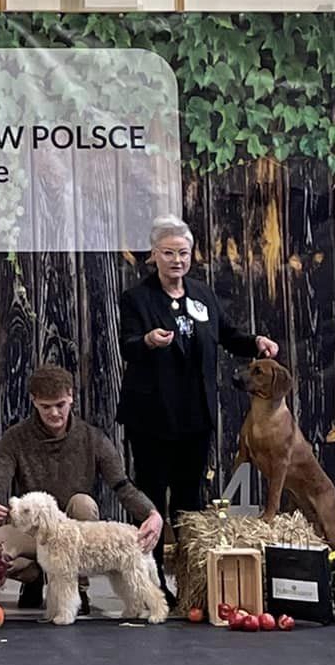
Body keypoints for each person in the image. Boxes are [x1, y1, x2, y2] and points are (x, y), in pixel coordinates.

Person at [118, 216, 278, 585]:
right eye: (168, 253)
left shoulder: (202, 294)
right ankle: (150, 582)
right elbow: (127, 346)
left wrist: (256, 343)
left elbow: (227, 335)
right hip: (152, 417)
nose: (177, 260)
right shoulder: (136, 299)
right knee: (151, 499)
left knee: (189, 501)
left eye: (183, 253)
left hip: (195, 416)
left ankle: (190, 581)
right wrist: (148, 341)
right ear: (153, 255)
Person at [0, 364, 162, 613]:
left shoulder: (93, 438)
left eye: (60, 405)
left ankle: (79, 587)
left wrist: (151, 512)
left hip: (75, 532)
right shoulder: (15, 438)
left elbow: (122, 485)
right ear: (34, 401)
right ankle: (34, 579)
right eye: (46, 406)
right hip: (34, 528)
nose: (54, 413)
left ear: (71, 397)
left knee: (83, 503)